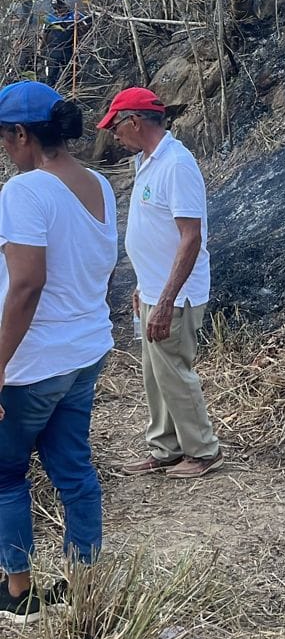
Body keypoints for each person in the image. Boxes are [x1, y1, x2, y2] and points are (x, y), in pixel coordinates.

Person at [0, 81, 118, 624]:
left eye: (5, 137)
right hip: (85, 350)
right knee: (73, 469)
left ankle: (18, 594)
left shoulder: (24, 192)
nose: (5, 148)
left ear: (22, 134)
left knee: (6, 474)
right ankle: (85, 583)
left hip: (34, 362)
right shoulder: (100, 185)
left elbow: (26, 286)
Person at [97, 86, 221, 480]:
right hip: (152, 289)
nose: (113, 135)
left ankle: (203, 451)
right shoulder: (146, 162)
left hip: (176, 294)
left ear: (134, 121)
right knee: (156, 375)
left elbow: (191, 237)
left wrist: (167, 299)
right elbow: (153, 230)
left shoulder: (177, 165)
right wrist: (142, 284)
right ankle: (165, 448)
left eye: (115, 126)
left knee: (175, 372)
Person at [41, 0, 77, 86]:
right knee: (51, 75)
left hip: (68, 49)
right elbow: (43, 34)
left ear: (64, 5)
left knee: (69, 73)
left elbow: (86, 27)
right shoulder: (50, 18)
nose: (58, 10)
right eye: (55, 8)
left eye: (59, 7)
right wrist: (41, 49)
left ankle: (69, 91)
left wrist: (78, 20)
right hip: (53, 50)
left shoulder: (73, 16)